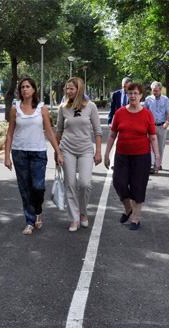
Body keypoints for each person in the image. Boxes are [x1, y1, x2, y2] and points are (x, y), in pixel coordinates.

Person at [4, 77, 64, 235]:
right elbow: (9, 134)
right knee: (25, 188)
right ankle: (30, 221)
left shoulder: (42, 109)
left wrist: (58, 153)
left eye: (28, 86)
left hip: (38, 152)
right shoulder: (15, 108)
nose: (25, 89)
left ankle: (38, 211)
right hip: (19, 152)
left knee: (38, 187)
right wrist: (7, 156)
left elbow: (50, 133)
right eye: (22, 87)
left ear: (34, 90)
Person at [104, 82, 159, 231]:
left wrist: (157, 158)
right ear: (127, 95)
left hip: (141, 156)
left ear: (141, 96)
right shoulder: (120, 113)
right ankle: (128, 208)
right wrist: (107, 154)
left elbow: (153, 137)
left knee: (138, 186)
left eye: (136, 93)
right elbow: (112, 135)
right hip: (122, 155)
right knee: (119, 182)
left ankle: (135, 218)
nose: (133, 96)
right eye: (130, 93)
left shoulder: (147, 114)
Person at [56, 77, 102, 232]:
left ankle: (83, 212)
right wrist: (57, 153)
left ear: (79, 90)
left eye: (72, 89)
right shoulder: (63, 107)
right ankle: (74, 218)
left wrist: (98, 152)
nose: (68, 91)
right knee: (70, 184)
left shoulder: (91, 107)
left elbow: (97, 131)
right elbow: (59, 131)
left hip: (85, 150)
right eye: (67, 89)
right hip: (67, 149)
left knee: (85, 184)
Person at [144, 81, 169, 173]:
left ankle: (159, 163)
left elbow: (168, 111)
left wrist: (167, 122)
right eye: (153, 90)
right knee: (151, 145)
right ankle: (152, 164)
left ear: (160, 90)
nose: (154, 92)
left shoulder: (165, 99)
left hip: (162, 126)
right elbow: (145, 112)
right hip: (151, 126)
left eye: (156, 90)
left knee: (161, 145)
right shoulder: (148, 99)